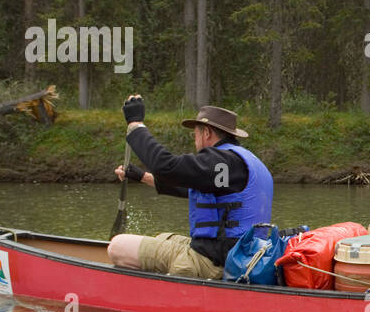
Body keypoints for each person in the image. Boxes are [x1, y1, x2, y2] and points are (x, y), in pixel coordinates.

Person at [106, 96, 274, 279]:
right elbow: (192, 189)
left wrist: (135, 125)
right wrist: (143, 177)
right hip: (241, 258)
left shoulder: (221, 161)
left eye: (195, 134)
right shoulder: (240, 162)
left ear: (207, 133)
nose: (194, 139)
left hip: (213, 261)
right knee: (162, 237)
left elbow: (166, 166)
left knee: (118, 246)